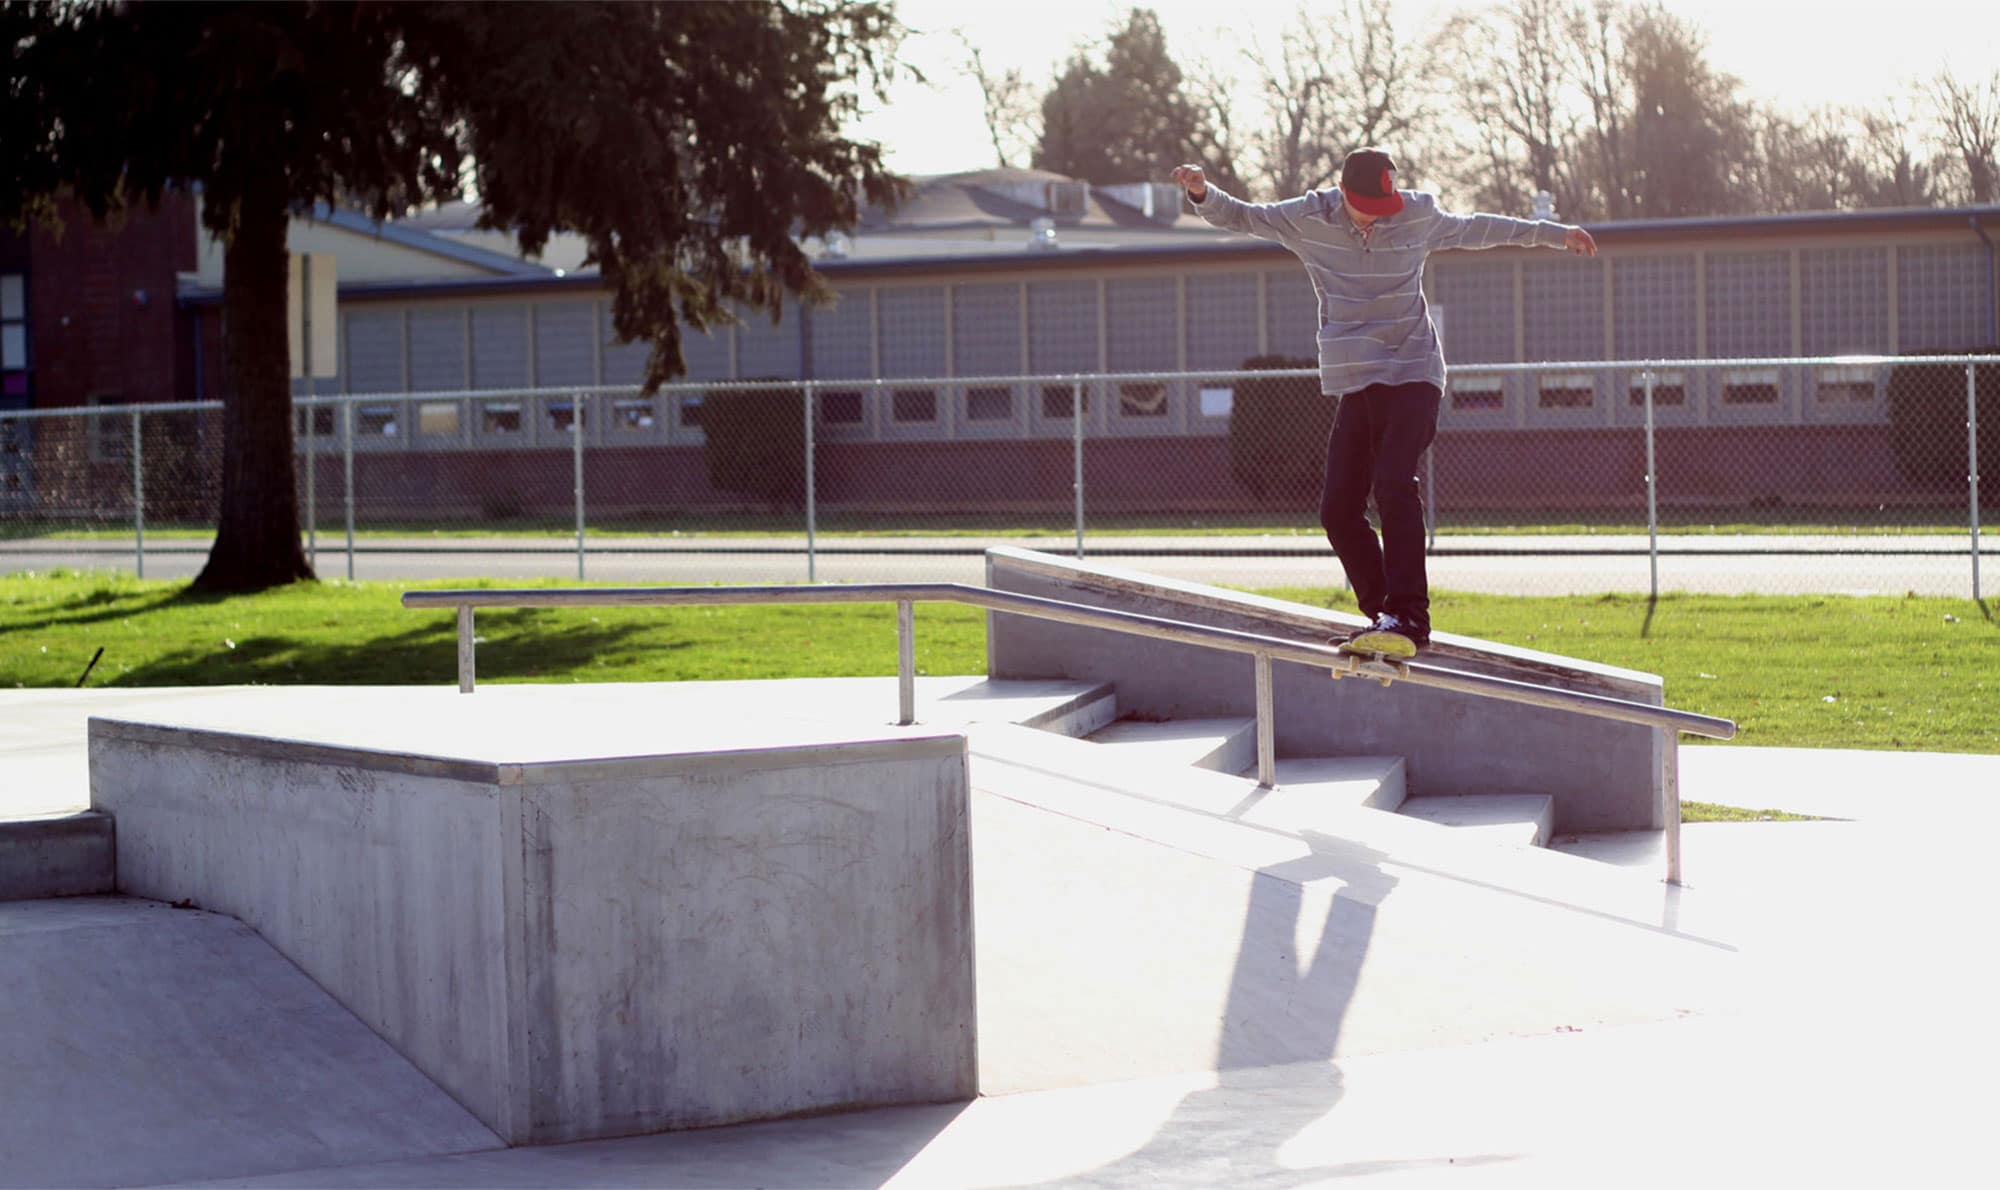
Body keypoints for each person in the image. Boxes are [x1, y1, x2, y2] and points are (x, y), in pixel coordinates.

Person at [1172, 149, 1596, 657]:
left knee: (1394, 479)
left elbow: (1479, 228)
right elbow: (1242, 215)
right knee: (1338, 510)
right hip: (1359, 379)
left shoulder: (1416, 214)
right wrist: (1200, 192)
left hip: (1415, 370)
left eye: (1385, 203)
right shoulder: (1306, 218)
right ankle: (1383, 614)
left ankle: (1411, 615)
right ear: (1345, 195)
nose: (1379, 215)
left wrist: (1554, 233)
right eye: (1369, 205)